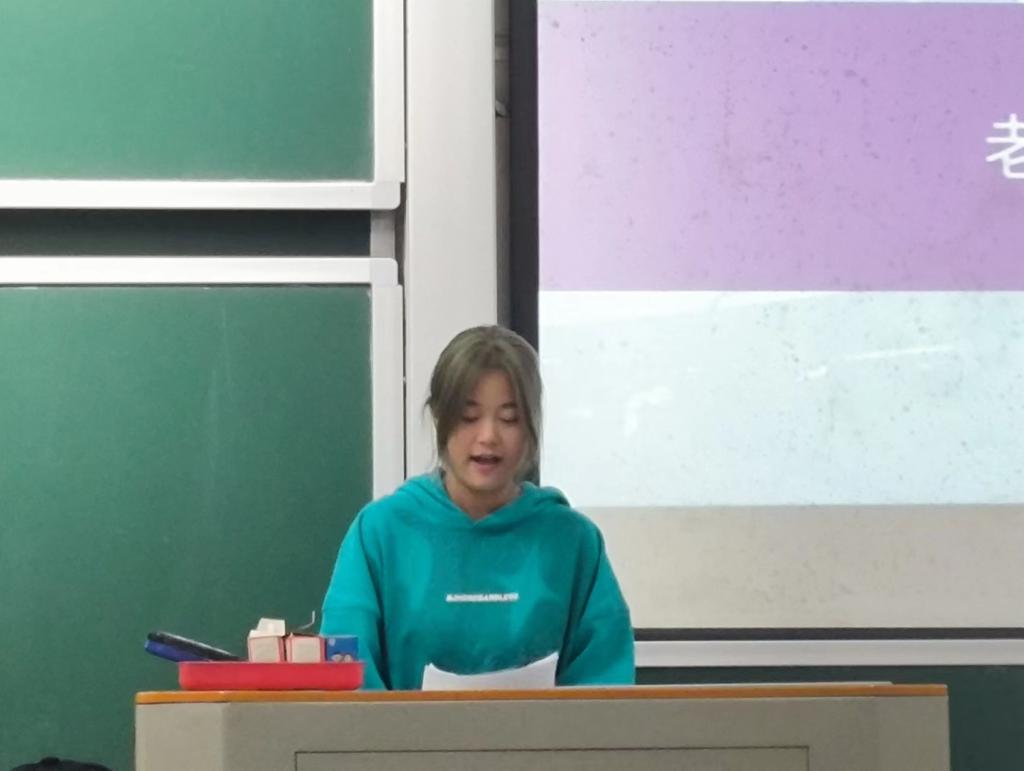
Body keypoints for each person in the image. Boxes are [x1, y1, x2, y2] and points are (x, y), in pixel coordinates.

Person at [321, 325, 634, 689]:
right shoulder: (380, 532)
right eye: (469, 417)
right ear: (438, 417)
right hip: (399, 731)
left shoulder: (573, 541)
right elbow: (346, 677)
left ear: (531, 426)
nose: (488, 436)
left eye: (509, 419)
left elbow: (605, 682)